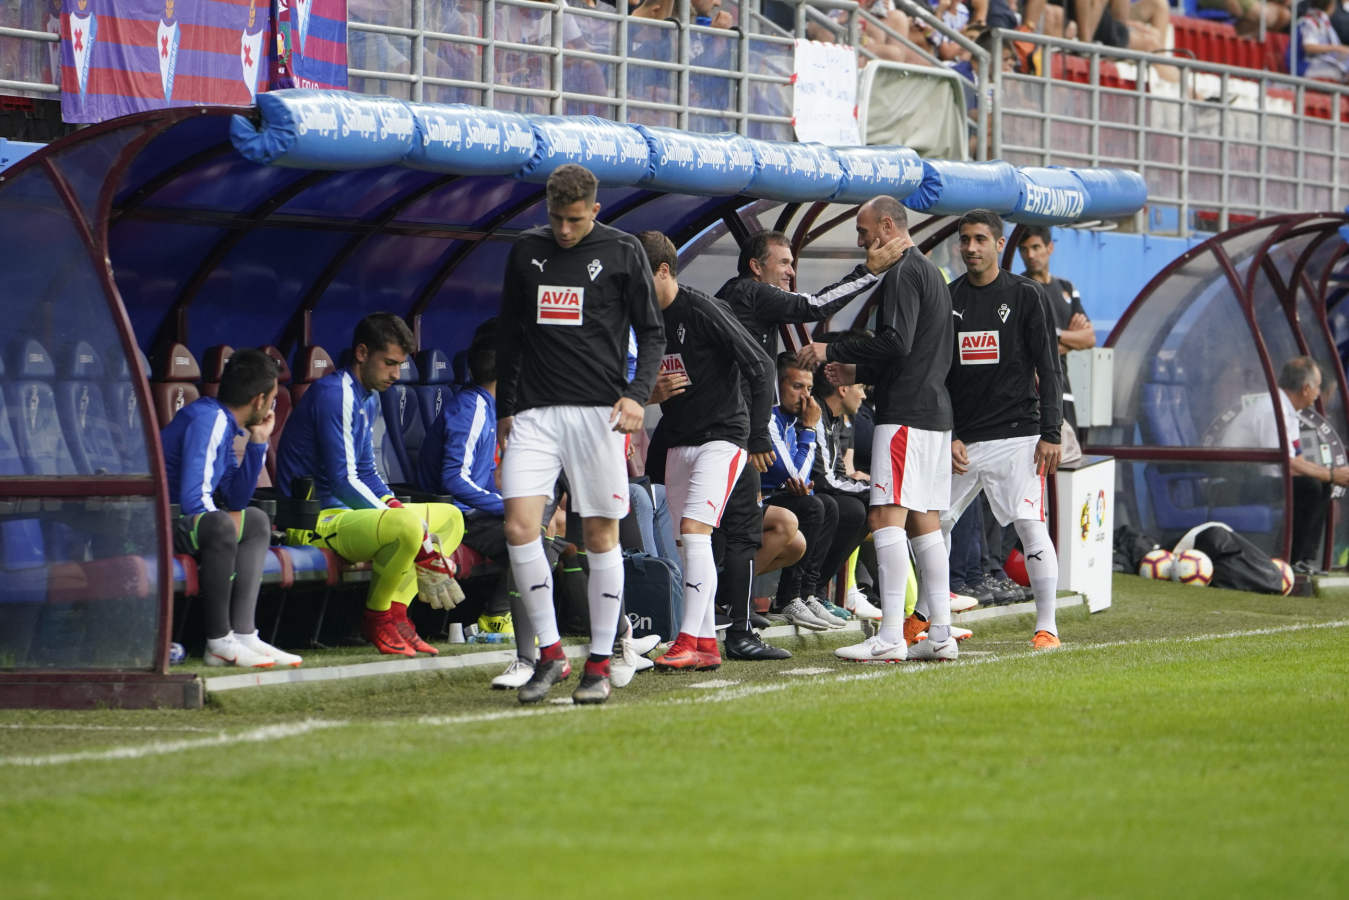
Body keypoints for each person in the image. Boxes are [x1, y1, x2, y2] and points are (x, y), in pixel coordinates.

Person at [495, 163, 664, 705]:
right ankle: (548, 654)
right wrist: (506, 407)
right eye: (556, 218)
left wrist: (637, 396)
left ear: (595, 209)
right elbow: (510, 334)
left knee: (599, 537)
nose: (564, 230)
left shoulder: (622, 251)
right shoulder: (524, 251)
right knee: (520, 527)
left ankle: (599, 659)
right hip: (536, 415)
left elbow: (652, 333)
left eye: (574, 219)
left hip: (598, 415)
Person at [798, 195, 957, 663]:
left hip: (906, 416)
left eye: (864, 232)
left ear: (888, 226)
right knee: (925, 522)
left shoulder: (904, 272)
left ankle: (890, 636)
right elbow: (914, 353)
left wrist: (832, 350)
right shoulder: (931, 274)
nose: (861, 241)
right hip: (934, 415)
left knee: (884, 517)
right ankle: (941, 635)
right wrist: (859, 375)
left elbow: (894, 342)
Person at [635, 230, 790, 667]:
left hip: (723, 437)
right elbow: (629, 385)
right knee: (688, 541)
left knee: (696, 530)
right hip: (680, 438)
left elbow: (760, 365)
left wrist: (757, 434)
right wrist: (651, 393)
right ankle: (704, 644)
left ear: (664, 271)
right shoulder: (643, 319)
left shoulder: (701, 308)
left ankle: (685, 638)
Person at [277, 313, 466, 659]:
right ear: (362, 353)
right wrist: (421, 540)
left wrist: (394, 508)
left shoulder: (369, 395)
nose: (397, 375)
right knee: (410, 527)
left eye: (401, 365)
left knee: (451, 517)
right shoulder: (336, 394)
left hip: (352, 516)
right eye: (389, 363)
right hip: (315, 521)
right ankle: (377, 618)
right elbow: (343, 480)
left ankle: (397, 615)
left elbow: (367, 471)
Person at [942, 209, 1064, 651]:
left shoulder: (1027, 295)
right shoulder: (948, 297)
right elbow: (939, 375)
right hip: (963, 440)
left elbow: (1049, 368)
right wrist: (949, 432)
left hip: (1018, 435)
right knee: (932, 523)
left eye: (979, 239)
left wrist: (1051, 432)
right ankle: (936, 622)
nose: (971, 248)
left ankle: (1046, 626)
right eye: (965, 239)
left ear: (998, 244)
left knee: (1030, 525)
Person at [161, 348, 300, 668]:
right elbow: (195, 500)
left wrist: (258, 443)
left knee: (255, 520)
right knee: (222, 525)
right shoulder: (208, 418)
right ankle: (219, 641)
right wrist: (227, 530)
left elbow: (235, 499)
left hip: (181, 521)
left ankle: (244, 634)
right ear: (260, 400)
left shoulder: (222, 422)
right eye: (273, 399)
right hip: (157, 523)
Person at [1218, 356, 1349, 567]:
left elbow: (1296, 459)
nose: (1317, 394)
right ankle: (1289, 559)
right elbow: (1286, 465)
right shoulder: (1273, 411)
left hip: (1255, 479)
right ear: (1306, 389)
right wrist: (1333, 474)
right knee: (1310, 487)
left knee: (1319, 485)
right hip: (1234, 484)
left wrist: (1329, 475)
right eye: (1317, 388)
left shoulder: (1288, 411)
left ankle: (1303, 559)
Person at [761, 354, 849, 630]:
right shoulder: (769, 418)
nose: (805, 397)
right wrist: (810, 428)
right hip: (751, 503)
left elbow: (800, 478)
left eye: (809, 389)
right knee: (814, 507)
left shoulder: (791, 421)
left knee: (830, 506)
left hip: (776, 501)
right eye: (797, 387)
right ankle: (788, 598)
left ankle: (807, 594)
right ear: (777, 385)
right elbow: (795, 475)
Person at [809, 352, 880, 620]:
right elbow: (824, 479)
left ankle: (816, 590)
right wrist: (871, 491)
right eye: (860, 388)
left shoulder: (837, 419)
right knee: (852, 509)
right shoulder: (816, 412)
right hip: (801, 494)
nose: (863, 396)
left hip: (821, 493)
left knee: (862, 508)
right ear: (842, 388)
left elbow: (836, 472)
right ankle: (805, 591)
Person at [1016, 225, 1095, 435]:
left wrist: (1055, 336)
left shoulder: (1066, 287)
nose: (1030, 255)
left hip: (1065, 391)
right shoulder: (1021, 288)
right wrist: (1068, 339)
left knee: (1070, 459)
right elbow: (1027, 346)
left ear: (1049, 248)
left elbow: (1089, 338)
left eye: (1035, 247)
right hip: (1036, 396)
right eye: (1024, 249)